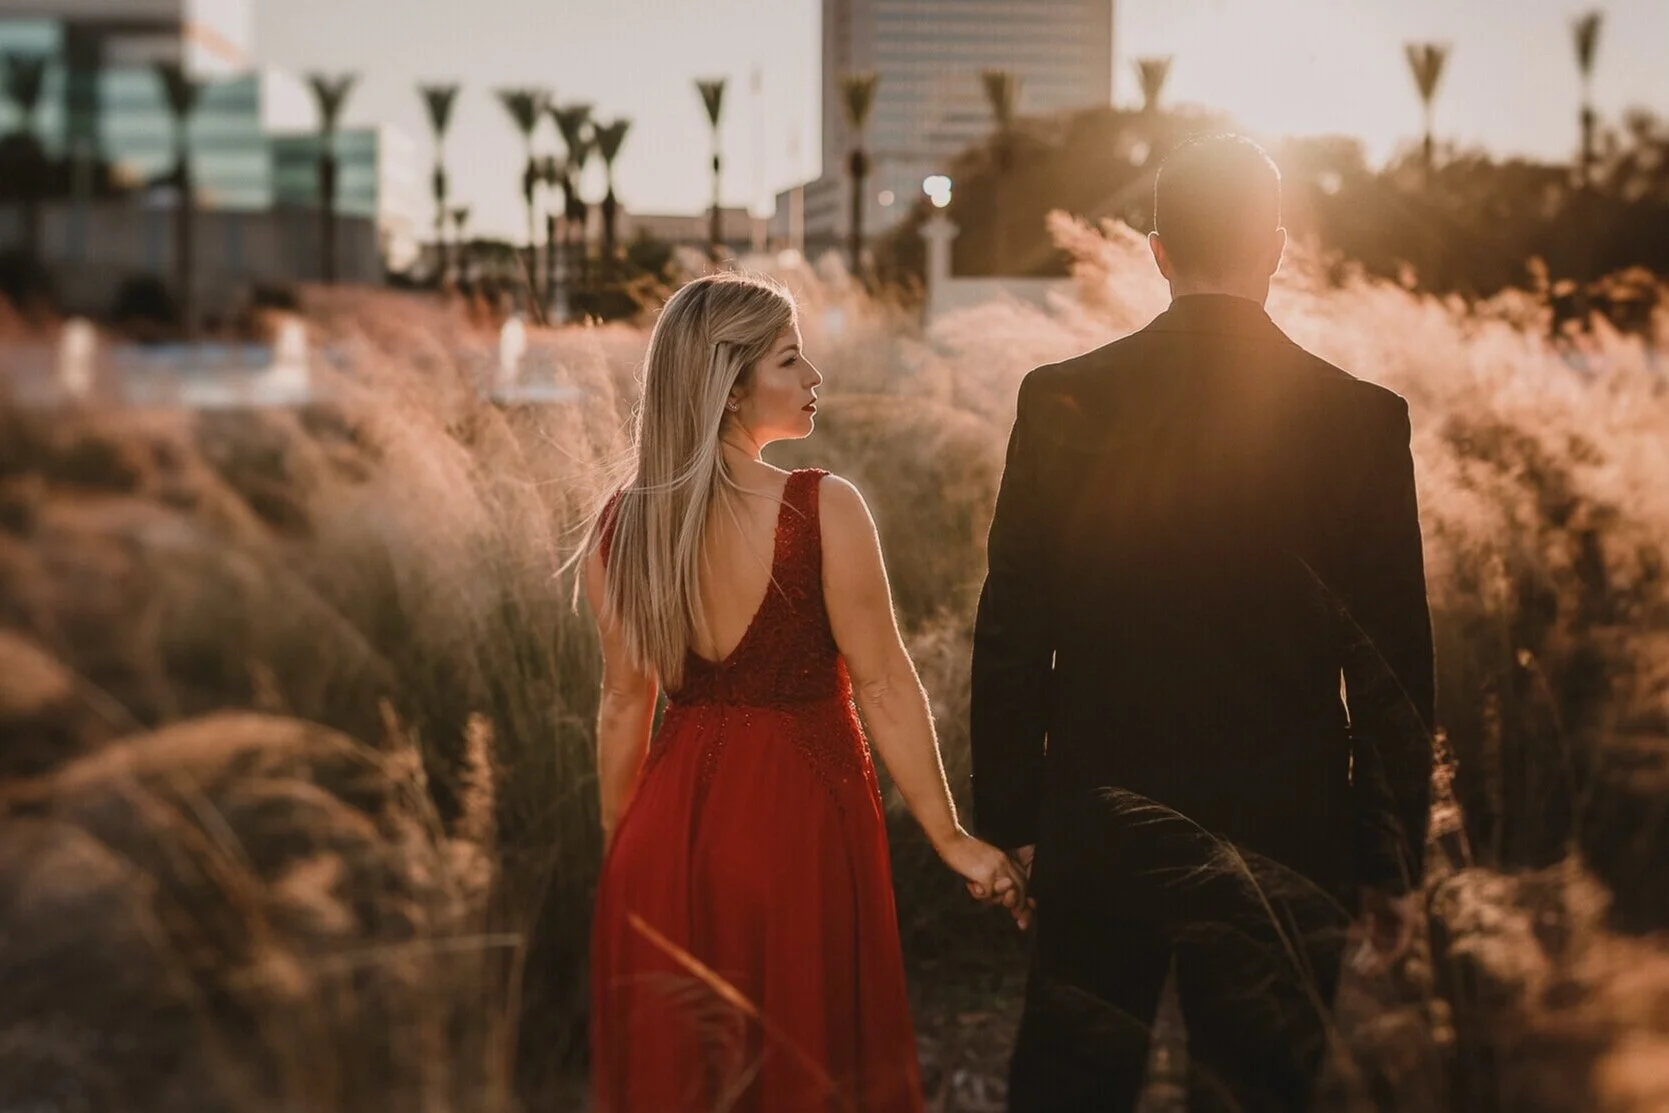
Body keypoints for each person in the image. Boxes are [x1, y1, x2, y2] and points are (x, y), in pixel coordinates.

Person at [970, 135, 1436, 1113]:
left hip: (1098, 828)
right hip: (1285, 838)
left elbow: (1014, 628)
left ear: (1157, 251)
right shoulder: (1359, 420)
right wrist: (1391, 867)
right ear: (1275, 246)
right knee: (1261, 1093)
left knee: (1071, 1090)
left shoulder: (1061, 399)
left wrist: (1013, 821)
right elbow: (1391, 662)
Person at [585, 271, 1028, 1113]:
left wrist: (624, 859)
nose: (814, 376)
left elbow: (620, 706)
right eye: (790, 359)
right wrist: (952, 838)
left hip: (660, 849)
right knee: (805, 1073)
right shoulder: (822, 507)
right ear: (728, 387)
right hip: (795, 833)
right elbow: (885, 685)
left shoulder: (620, 526)